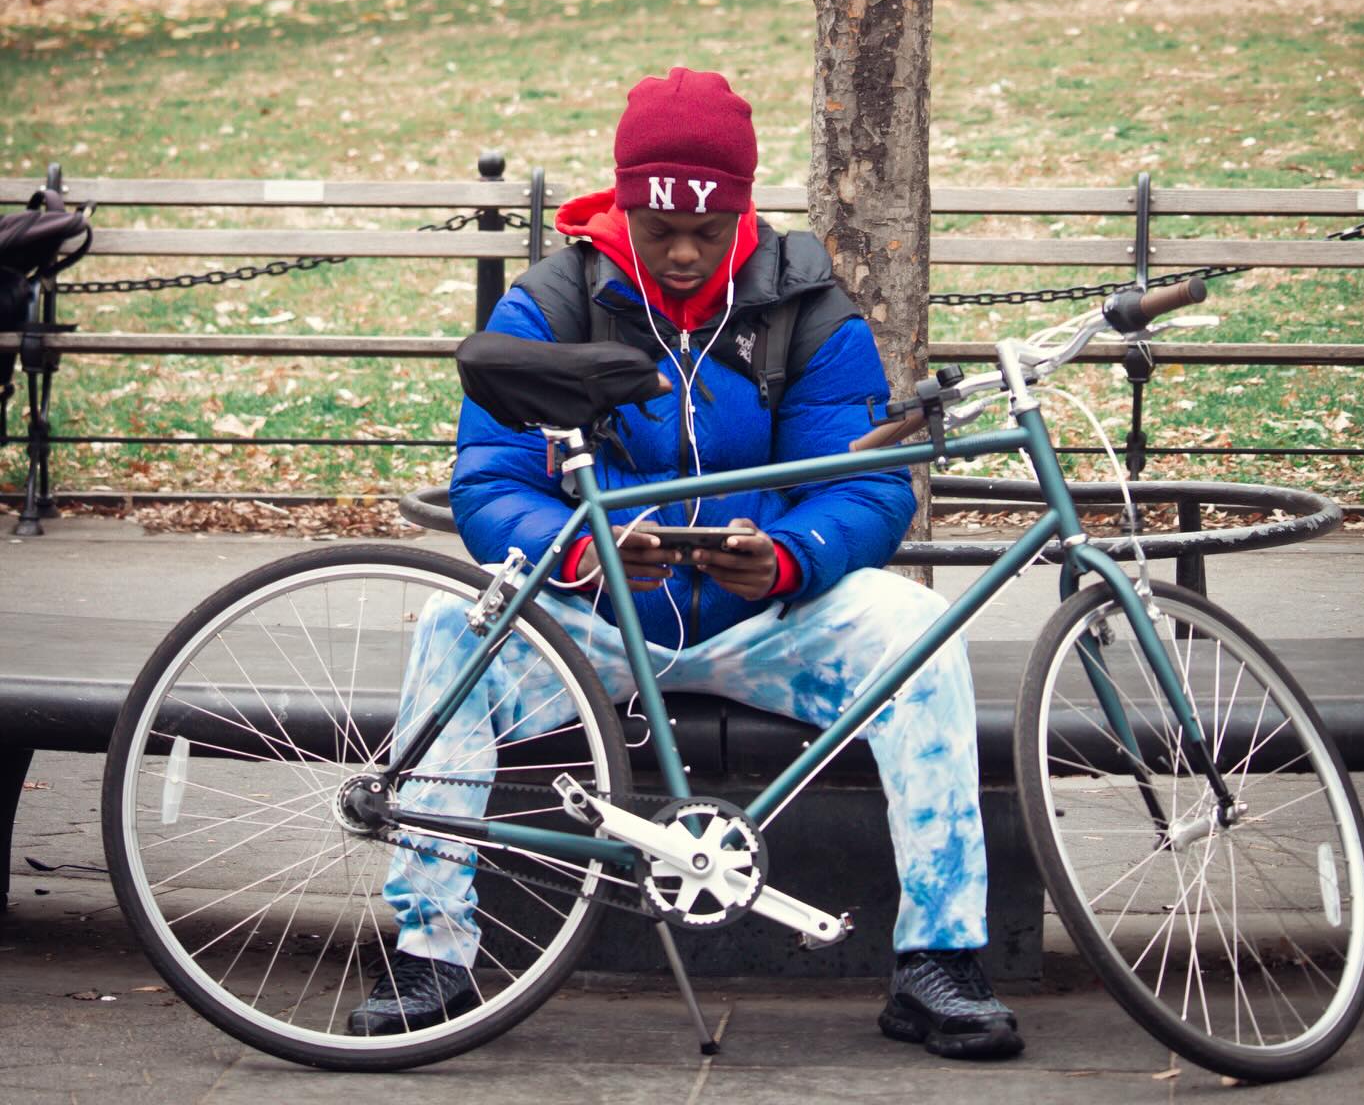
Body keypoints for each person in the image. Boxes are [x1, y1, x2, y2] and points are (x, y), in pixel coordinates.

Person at [348, 68, 1022, 1063]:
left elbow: (869, 482)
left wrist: (794, 555)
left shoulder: (804, 302)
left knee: (919, 632)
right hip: (598, 627)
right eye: (658, 226)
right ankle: (432, 950)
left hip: (770, 622)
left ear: (741, 208)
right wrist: (581, 553)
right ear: (624, 200)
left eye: (707, 227)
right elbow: (489, 481)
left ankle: (941, 959)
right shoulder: (557, 300)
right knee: (456, 630)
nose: (681, 250)